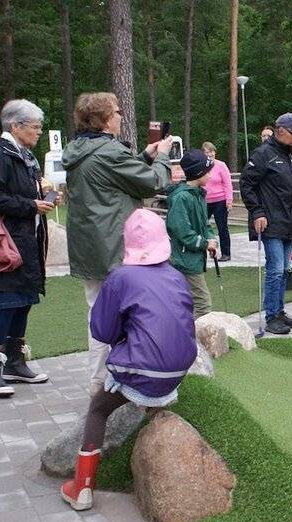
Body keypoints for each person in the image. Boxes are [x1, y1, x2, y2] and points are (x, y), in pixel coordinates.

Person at [60, 209, 197, 511]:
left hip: (141, 368)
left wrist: (125, 332)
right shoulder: (176, 276)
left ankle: (83, 486)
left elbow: (102, 331)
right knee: (150, 373)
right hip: (178, 369)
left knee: (98, 408)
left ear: (127, 244)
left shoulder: (120, 278)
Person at [63, 92, 172, 394]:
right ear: (105, 119)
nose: (121, 116)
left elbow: (113, 178)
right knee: (128, 313)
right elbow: (152, 183)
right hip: (116, 246)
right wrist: (162, 156)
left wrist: (145, 157)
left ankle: (98, 382)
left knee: (97, 313)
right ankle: (125, 379)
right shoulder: (110, 151)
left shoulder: (78, 149)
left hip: (89, 247)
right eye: (117, 111)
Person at [0, 100, 53, 396]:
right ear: (16, 126)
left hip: (25, 243)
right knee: (6, 304)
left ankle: (15, 363)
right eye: (35, 126)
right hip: (4, 245)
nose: (39, 132)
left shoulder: (24, 155)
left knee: (23, 302)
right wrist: (30, 205)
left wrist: (42, 197)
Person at [240, 113, 292, 335]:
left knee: (284, 269)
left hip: (288, 220)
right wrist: (257, 212)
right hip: (270, 221)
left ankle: (279, 312)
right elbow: (246, 184)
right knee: (276, 270)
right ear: (281, 131)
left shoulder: (290, 154)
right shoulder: (263, 154)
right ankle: (271, 317)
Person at [165, 149, 218, 319]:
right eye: (207, 171)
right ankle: (197, 335)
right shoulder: (182, 198)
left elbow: (204, 223)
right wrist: (204, 243)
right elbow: (181, 231)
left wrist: (211, 239)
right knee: (203, 303)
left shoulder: (198, 194)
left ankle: (187, 332)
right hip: (184, 259)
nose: (210, 175)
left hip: (194, 258)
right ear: (198, 173)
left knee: (189, 302)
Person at [201, 142, 233, 261]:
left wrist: (229, 200)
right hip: (205, 201)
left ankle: (226, 253)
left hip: (220, 200)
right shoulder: (201, 166)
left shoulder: (221, 165)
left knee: (222, 227)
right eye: (206, 152)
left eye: (211, 151)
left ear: (215, 152)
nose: (209, 154)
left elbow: (227, 183)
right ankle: (203, 251)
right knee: (201, 226)